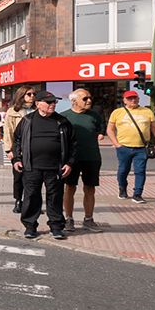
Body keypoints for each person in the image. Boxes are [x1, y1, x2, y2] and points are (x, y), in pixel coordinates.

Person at [13, 90, 75, 240]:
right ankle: (30, 226)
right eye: (49, 102)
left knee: (54, 197)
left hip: (55, 167)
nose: (52, 104)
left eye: (54, 102)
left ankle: (56, 227)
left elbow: (73, 144)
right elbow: (17, 140)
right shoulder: (27, 120)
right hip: (31, 166)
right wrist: (16, 159)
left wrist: (69, 163)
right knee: (31, 196)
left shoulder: (62, 121)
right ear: (38, 104)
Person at [106, 89, 155, 204]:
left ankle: (137, 194)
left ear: (138, 99)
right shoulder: (117, 112)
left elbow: (154, 128)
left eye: (135, 98)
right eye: (129, 98)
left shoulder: (147, 111)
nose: (133, 100)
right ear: (124, 100)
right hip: (123, 147)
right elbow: (110, 129)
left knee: (140, 171)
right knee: (123, 170)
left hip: (141, 148)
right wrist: (116, 144)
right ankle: (122, 188)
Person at [61, 87, 106, 231]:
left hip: (91, 157)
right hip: (71, 159)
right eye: (85, 98)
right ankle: (69, 219)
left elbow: (101, 130)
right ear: (74, 101)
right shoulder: (64, 117)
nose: (89, 101)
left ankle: (88, 219)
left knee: (90, 188)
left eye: (90, 97)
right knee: (70, 187)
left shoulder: (95, 116)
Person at [3, 86, 37, 214]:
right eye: (29, 94)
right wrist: (9, 150)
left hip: (35, 148)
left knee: (34, 178)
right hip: (19, 149)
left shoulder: (37, 110)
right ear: (21, 96)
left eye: (34, 94)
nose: (32, 96)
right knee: (18, 177)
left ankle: (32, 202)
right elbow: (8, 131)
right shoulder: (13, 112)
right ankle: (18, 201)